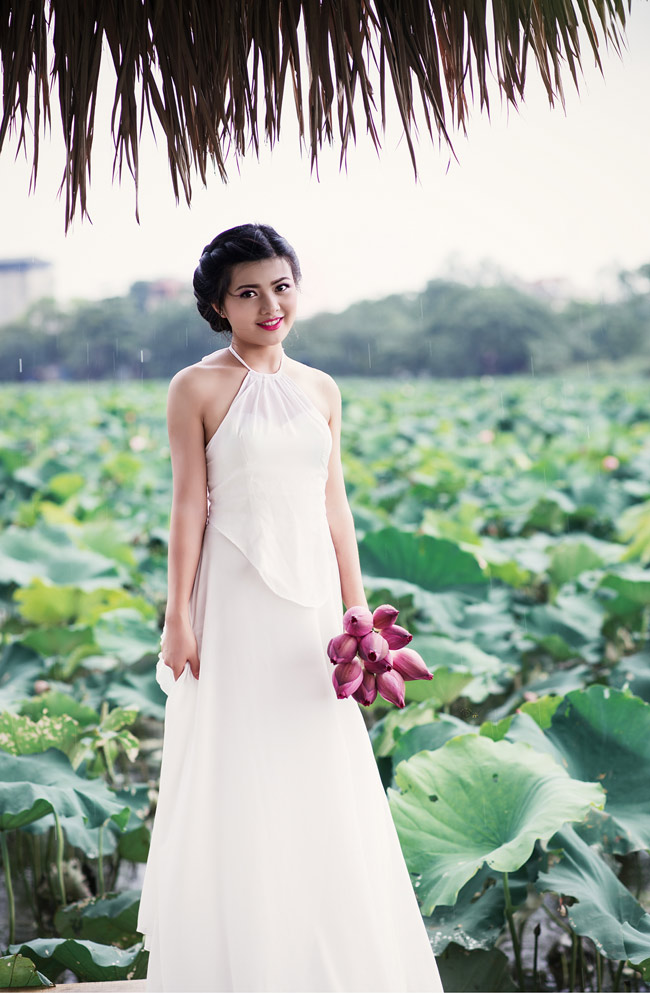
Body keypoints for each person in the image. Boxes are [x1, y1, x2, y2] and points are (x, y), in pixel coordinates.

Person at [137, 224, 443, 993]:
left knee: (318, 765)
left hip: (313, 612)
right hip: (233, 602)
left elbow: (335, 506)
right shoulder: (195, 388)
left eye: (281, 286)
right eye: (248, 293)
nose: (270, 305)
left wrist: (359, 614)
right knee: (241, 765)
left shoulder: (321, 389)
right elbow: (187, 507)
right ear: (218, 306)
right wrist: (178, 616)